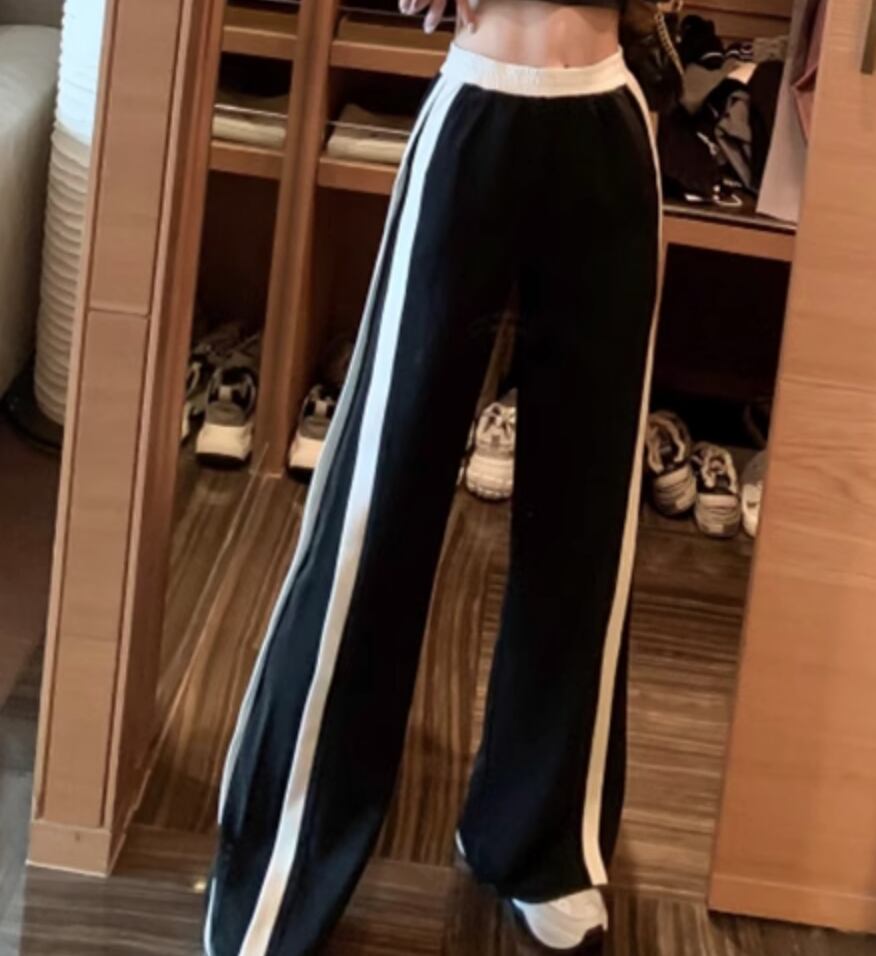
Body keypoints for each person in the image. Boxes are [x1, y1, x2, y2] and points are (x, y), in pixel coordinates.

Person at [204, 0, 660, 952]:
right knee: (378, 502)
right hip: (476, 109)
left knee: (587, 517)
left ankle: (542, 842)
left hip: (607, 119)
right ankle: (285, 856)